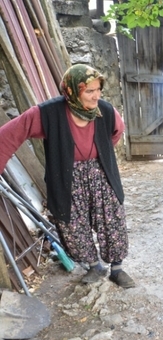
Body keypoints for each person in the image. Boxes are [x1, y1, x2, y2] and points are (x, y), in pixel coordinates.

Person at [0, 64, 135, 289]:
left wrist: (99, 155)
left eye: (98, 89)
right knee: (73, 223)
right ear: (71, 90)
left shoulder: (106, 110)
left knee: (112, 220)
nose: (96, 96)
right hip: (66, 176)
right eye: (89, 91)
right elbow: (10, 135)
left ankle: (117, 270)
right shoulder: (47, 114)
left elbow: (116, 132)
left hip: (101, 173)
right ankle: (94, 266)